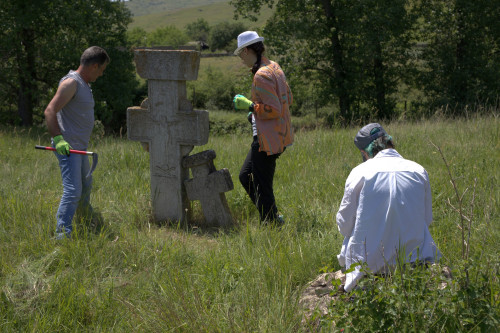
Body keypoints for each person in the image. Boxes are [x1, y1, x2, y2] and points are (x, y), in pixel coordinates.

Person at [336, 123, 441, 292]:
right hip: (413, 259)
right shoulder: (418, 170)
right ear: (390, 142)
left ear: (365, 152)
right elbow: (427, 219)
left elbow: (344, 226)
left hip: (368, 265)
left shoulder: (360, 172)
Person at [44, 46, 110, 239]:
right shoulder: (71, 82)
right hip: (68, 148)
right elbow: (50, 110)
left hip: (80, 148)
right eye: (102, 69)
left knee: (85, 185)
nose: (102, 74)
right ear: (94, 65)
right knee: (73, 191)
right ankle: (62, 235)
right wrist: (58, 140)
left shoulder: (84, 84)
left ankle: (86, 220)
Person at [232, 31, 294, 225]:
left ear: (248, 50)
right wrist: (256, 113)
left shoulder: (261, 75)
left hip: (267, 138)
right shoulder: (274, 67)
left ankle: (272, 222)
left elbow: (273, 109)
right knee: (247, 177)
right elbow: (288, 99)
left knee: (262, 183)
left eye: (241, 53)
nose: (241, 58)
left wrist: (250, 106)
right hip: (279, 134)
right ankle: (271, 216)